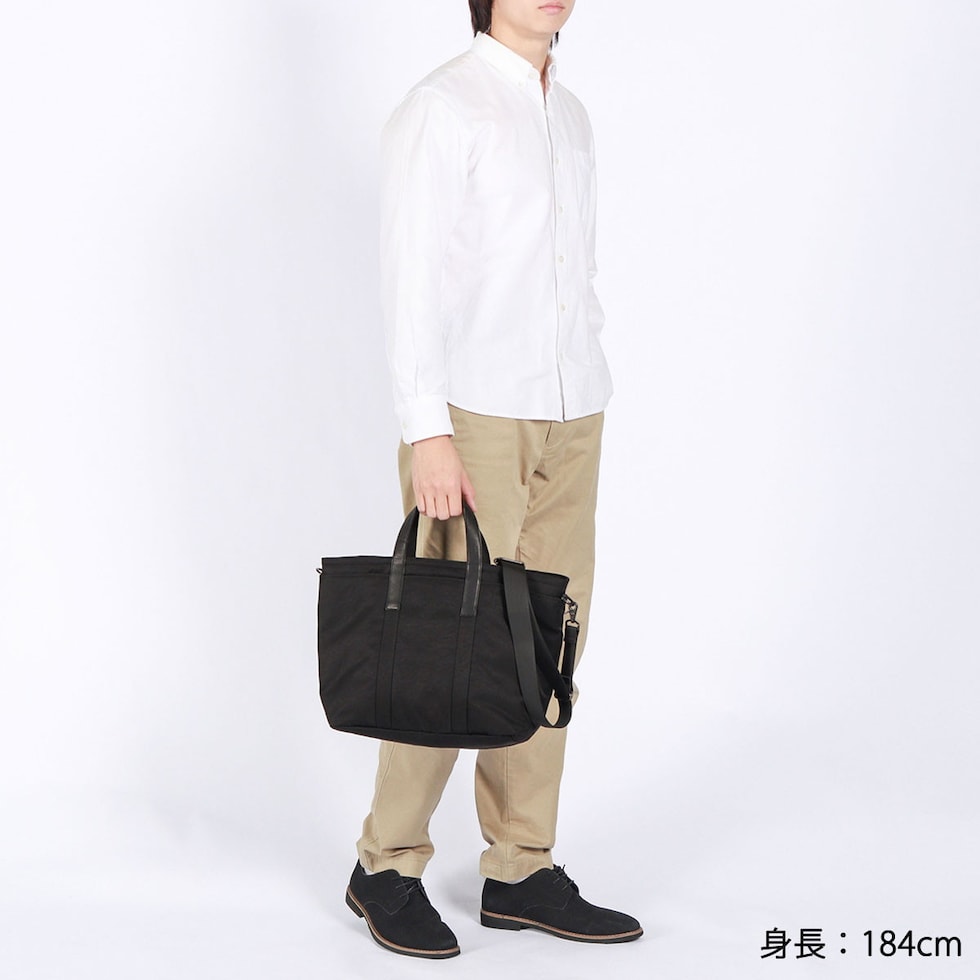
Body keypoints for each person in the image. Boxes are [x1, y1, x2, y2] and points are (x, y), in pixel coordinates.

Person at [344, 0, 642, 959]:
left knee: (549, 642)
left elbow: (572, 270)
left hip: (573, 407)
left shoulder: (573, 115)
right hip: (473, 414)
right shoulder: (444, 106)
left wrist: (586, 371)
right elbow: (411, 278)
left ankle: (520, 866)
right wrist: (427, 431)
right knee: (446, 644)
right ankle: (385, 865)